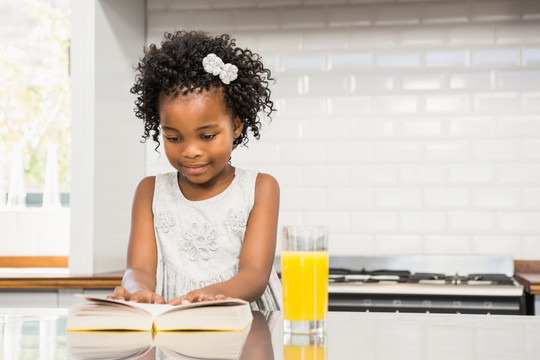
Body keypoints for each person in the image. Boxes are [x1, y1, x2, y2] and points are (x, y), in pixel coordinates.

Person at [109, 30, 281, 311]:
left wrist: (210, 295)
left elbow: (254, 275)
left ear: (236, 126)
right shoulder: (150, 192)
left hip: (244, 324)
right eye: (174, 138)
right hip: (172, 327)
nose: (190, 151)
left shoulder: (260, 188)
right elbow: (138, 268)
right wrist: (137, 290)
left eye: (207, 136)